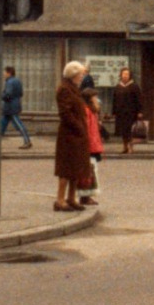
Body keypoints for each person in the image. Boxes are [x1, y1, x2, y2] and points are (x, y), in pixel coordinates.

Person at [54, 61, 93, 211]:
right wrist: (79, 128)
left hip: (78, 134)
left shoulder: (73, 88)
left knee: (76, 168)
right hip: (69, 135)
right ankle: (60, 200)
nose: (82, 77)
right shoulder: (64, 89)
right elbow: (65, 113)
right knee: (66, 168)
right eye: (81, 74)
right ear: (73, 74)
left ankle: (71, 198)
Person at [0, 65, 33, 149]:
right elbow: (21, 93)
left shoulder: (10, 82)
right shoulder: (17, 81)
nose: (3, 74)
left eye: (5, 72)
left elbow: (8, 94)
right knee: (2, 125)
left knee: (18, 125)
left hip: (10, 107)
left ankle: (27, 141)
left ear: (9, 73)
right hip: (13, 106)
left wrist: (1, 96)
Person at [80, 87, 104, 207]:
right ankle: (85, 196)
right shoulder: (86, 111)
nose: (97, 99)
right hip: (89, 145)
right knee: (87, 171)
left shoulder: (92, 111)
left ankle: (87, 195)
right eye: (95, 97)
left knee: (92, 170)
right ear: (89, 99)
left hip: (93, 144)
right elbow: (86, 129)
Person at [112, 66, 144, 154]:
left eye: (127, 74)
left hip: (131, 112)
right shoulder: (118, 87)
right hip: (120, 112)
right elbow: (114, 100)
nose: (125, 76)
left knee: (130, 130)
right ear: (121, 75)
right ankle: (124, 146)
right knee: (123, 130)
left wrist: (140, 111)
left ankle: (131, 147)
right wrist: (114, 112)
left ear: (130, 75)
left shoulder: (134, 86)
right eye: (124, 74)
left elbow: (139, 99)